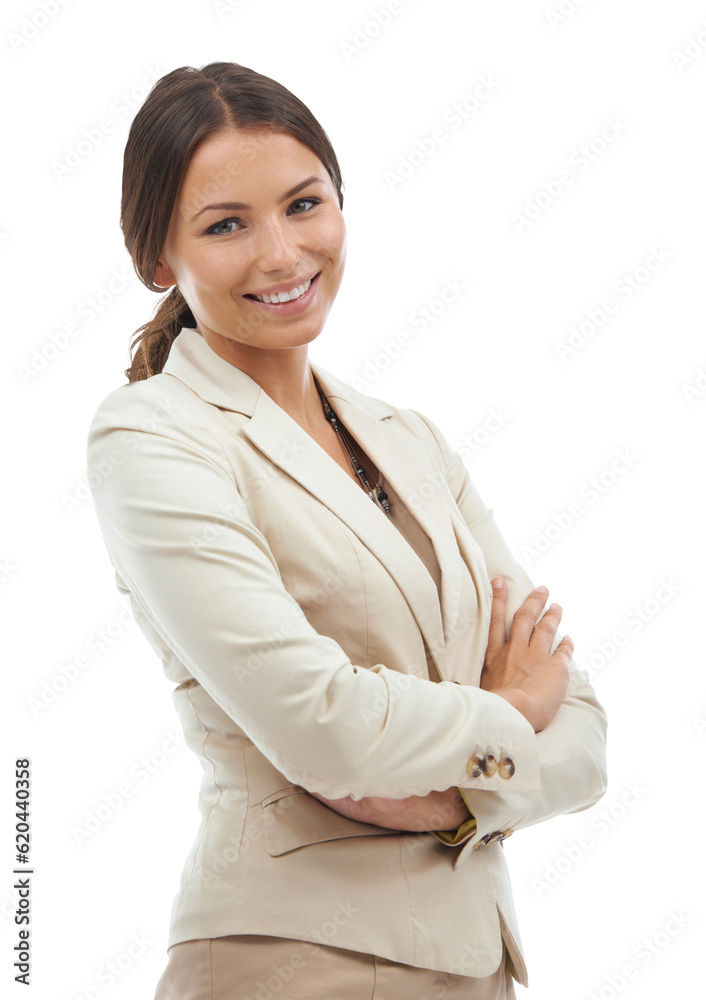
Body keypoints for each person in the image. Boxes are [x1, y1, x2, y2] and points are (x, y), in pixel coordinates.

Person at [86, 61, 608, 999]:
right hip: (289, 965)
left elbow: (588, 731)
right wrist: (515, 714)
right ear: (159, 260)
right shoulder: (153, 438)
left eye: (304, 203)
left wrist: (455, 794)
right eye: (226, 225)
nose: (283, 254)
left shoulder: (409, 439)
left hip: (478, 968)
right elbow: (323, 726)